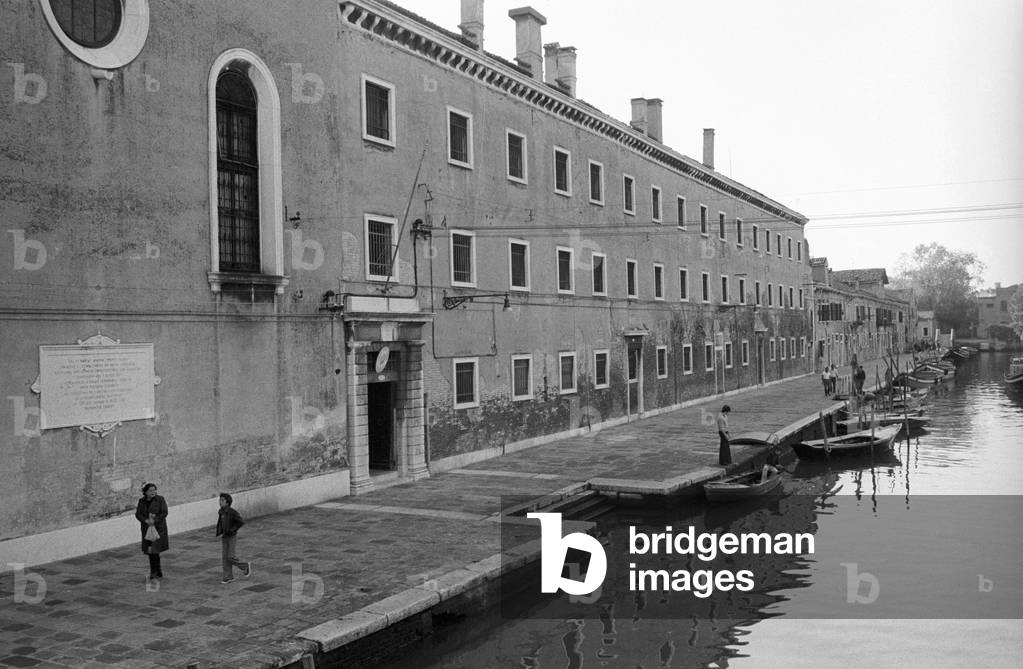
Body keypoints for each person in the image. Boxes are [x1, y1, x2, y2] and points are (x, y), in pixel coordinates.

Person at [135, 482, 168, 580]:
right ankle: (156, 570)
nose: (153, 492)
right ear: (145, 492)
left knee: (155, 550)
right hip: (147, 529)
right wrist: (145, 520)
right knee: (150, 550)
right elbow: (138, 514)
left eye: (154, 490)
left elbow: (164, 512)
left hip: (158, 529)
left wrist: (154, 520)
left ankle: (155, 571)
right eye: (150, 490)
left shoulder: (160, 499)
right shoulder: (142, 501)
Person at [216, 492, 251, 584]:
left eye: (222, 500)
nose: (220, 502)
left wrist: (232, 530)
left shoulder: (232, 512)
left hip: (231, 536)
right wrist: (220, 531)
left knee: (230, 556)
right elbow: (221, 523)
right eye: (220, 500)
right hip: (224, 537)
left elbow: (240, 522)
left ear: (227, 502)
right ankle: (228, 577)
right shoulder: (221, 512)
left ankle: (245, 566)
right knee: (225, 558)